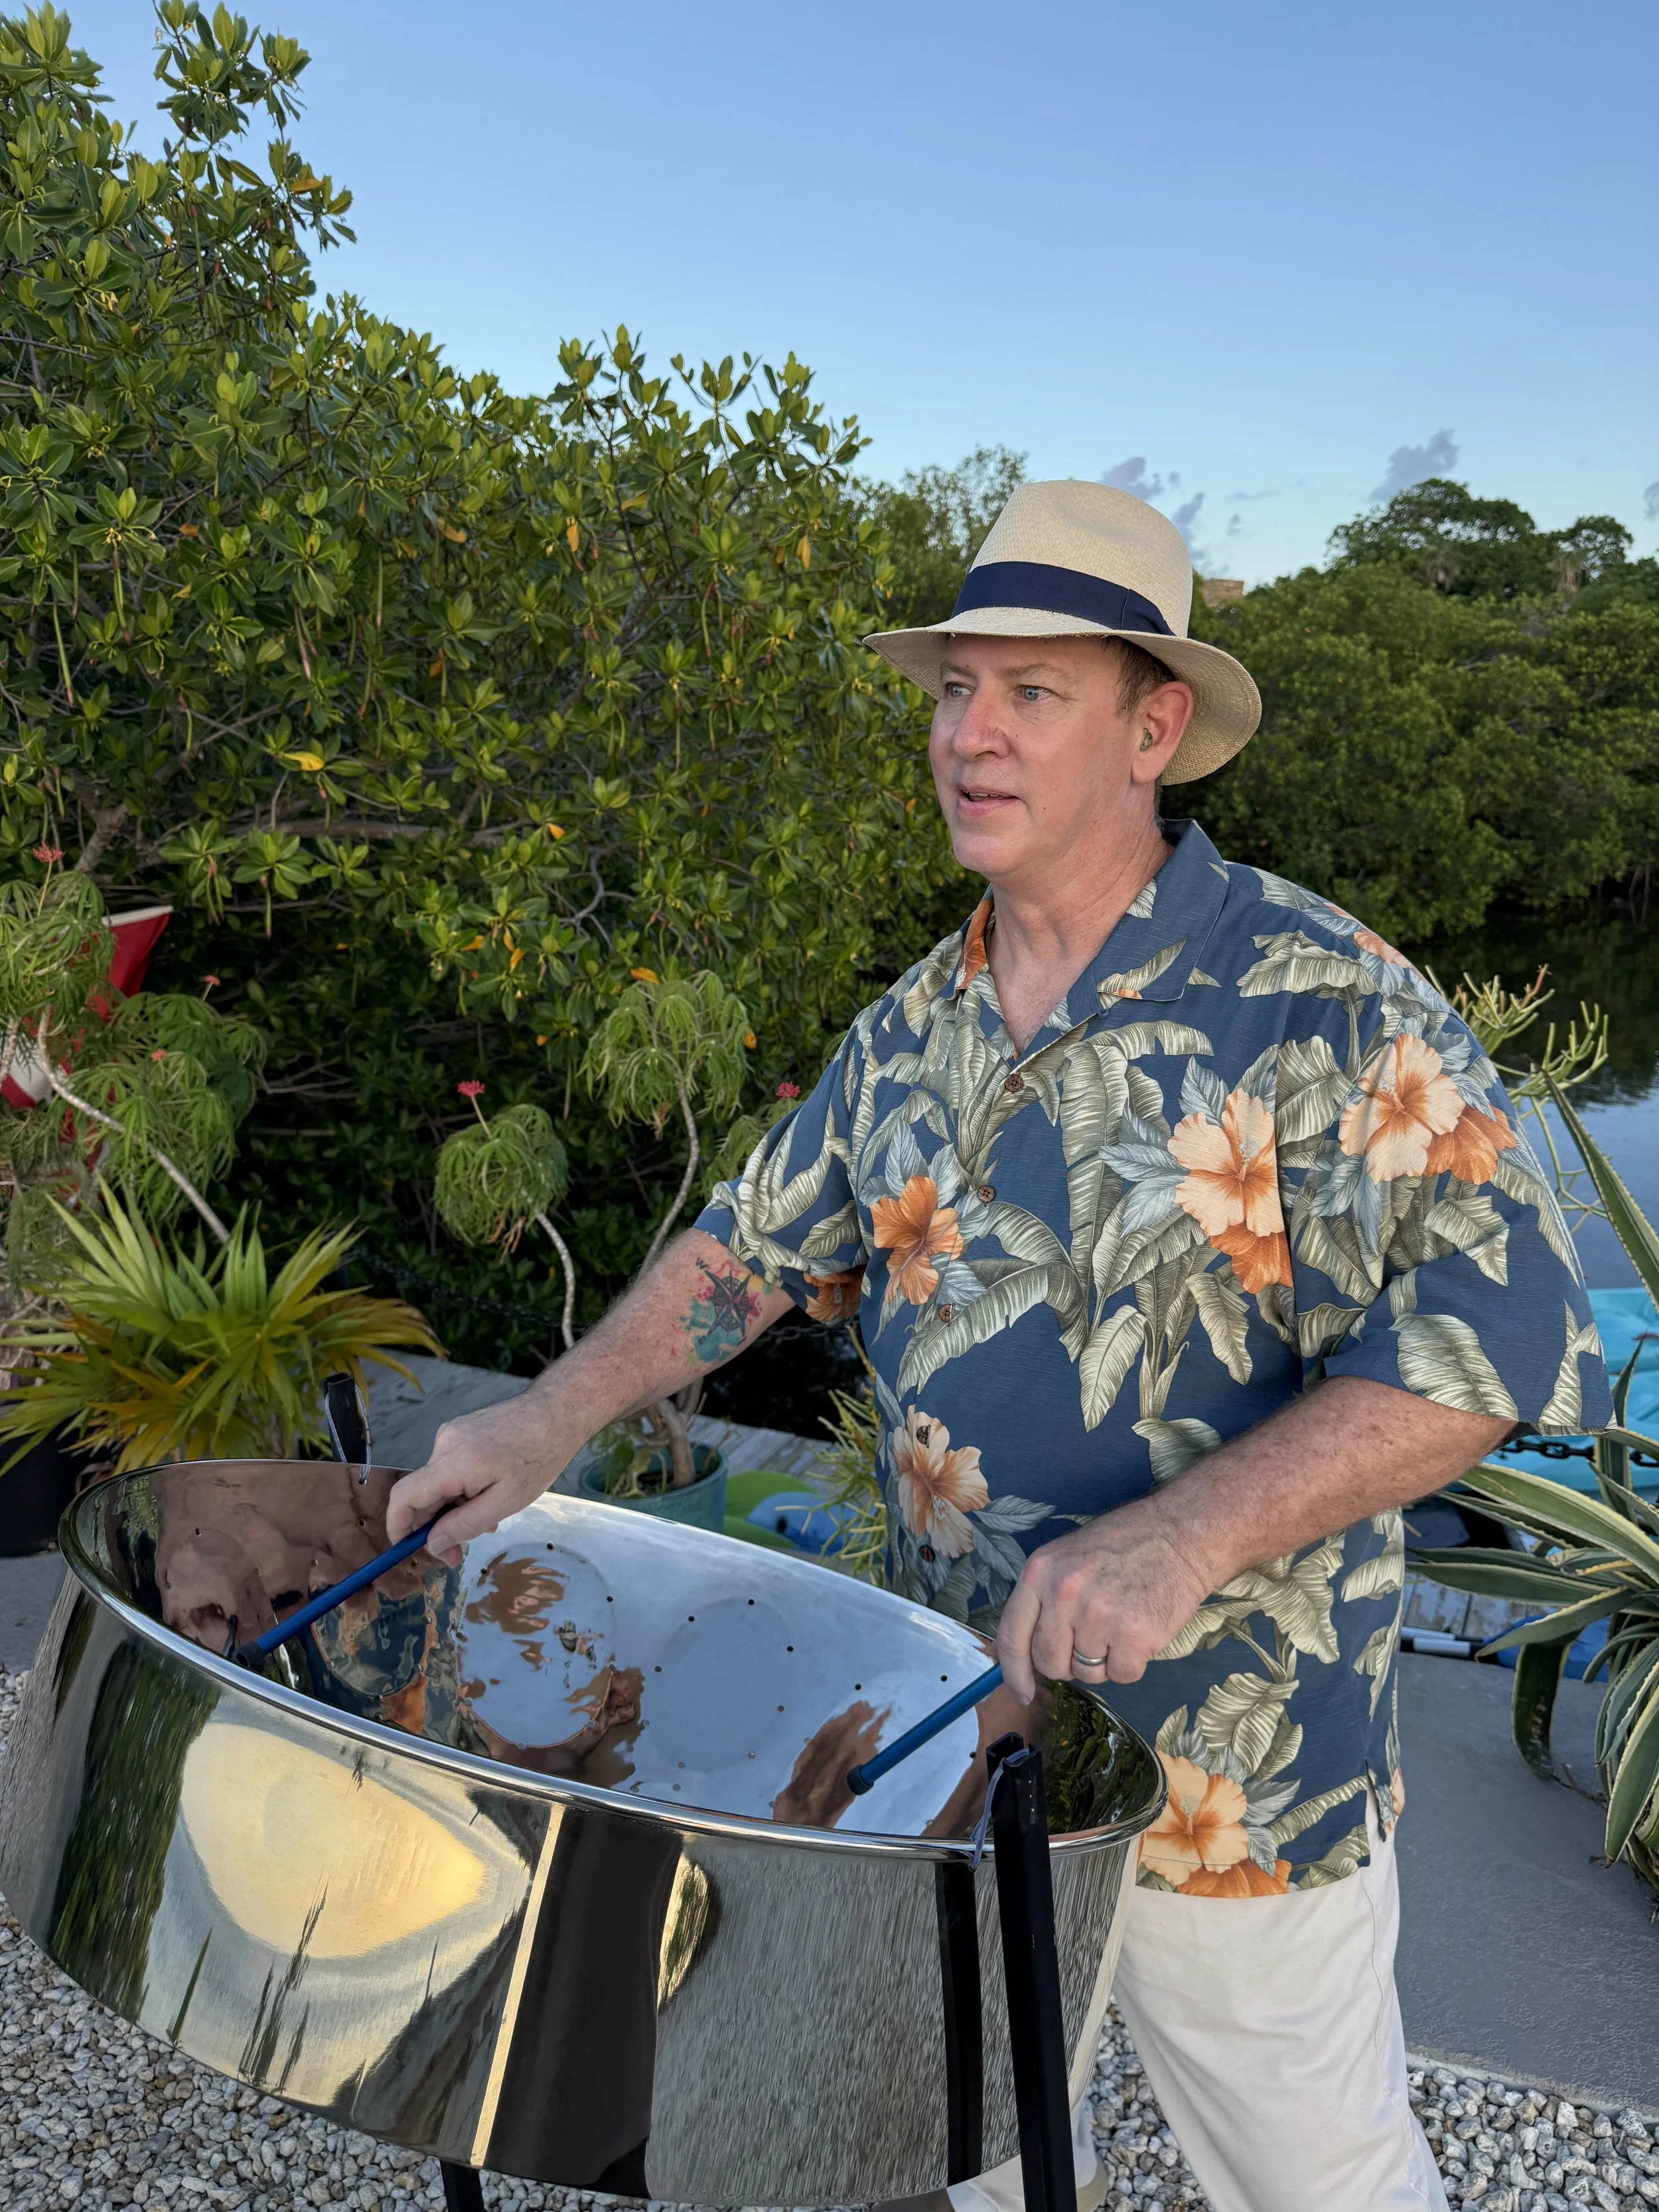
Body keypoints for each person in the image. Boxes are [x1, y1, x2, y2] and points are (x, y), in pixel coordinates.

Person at [387, 481, 1609, 2212]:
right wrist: (545, 1418)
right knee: (977, 2140)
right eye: (956, 687)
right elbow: (746, 1255)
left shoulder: (1319, 995)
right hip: (971, 1738)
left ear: (1152, 726)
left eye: (1032, 692)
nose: (971, 733)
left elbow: (1500, 1339)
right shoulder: (913, 1025)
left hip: (1235, 1770)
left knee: (1314, 2171)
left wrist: (1188, 1528)